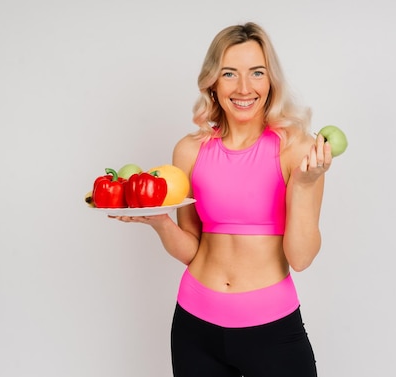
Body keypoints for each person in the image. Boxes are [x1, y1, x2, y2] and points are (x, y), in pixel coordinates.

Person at [114, 22, 332, 377]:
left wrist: (305, 184)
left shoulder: (298, 149)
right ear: (213, 82)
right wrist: (159, 222)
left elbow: (301, 258)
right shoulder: (189, 150)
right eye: (230, 74)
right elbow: (192, 250)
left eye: (256, 73)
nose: (244, 88)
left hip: (272, 331)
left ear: (271, 80)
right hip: (195, 326)